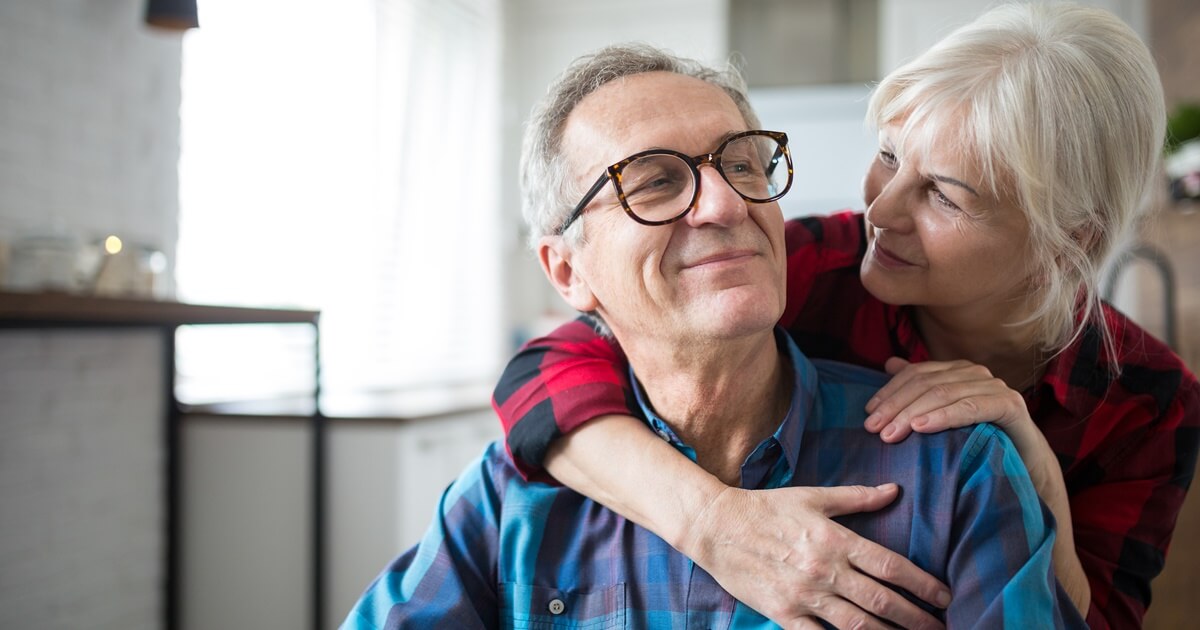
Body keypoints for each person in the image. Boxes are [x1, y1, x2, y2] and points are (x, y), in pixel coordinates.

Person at [491, 3, 1200, 629]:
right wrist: (711, 524)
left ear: (1068, 239)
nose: (881, 211)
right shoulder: (813, 265)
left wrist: (1037, 474)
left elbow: (1099, 620)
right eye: (888, 156)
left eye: (943, 196)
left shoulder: (1146, 400)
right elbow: (541, 374)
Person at [344, 44, 1085, 629]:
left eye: (742, 162)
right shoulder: (512, 498)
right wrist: (710, 520)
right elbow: (532, 375)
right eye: (656, 181)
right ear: (567, 270)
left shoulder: (957, 471)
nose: (726, 202)